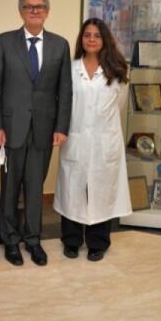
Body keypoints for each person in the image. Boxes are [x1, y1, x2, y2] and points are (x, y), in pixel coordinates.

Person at [0, 0, 72, 267]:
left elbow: (65, 90)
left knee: (35, 188)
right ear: (21, 11)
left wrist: (61, 127)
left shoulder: (60, 45)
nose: (34, 10)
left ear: (47, 11)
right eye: (29, 6)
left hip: (44, 129)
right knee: (10, 188)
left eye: (39, 6)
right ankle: (10, 240)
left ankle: (33, 240)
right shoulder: (4, 42)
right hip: (11, 127)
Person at [53, 18, 132, 261]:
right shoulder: (71, 68)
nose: (91, 39)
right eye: (87, 35)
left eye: (97, 35)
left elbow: (119, 104)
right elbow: (62, 101)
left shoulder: (116, 70)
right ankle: (71, 240)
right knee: (72, 188)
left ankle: (98, 242)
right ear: (81, 39)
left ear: (104, 39)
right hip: (76, 137)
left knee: (102, 189)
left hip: (104, 140)